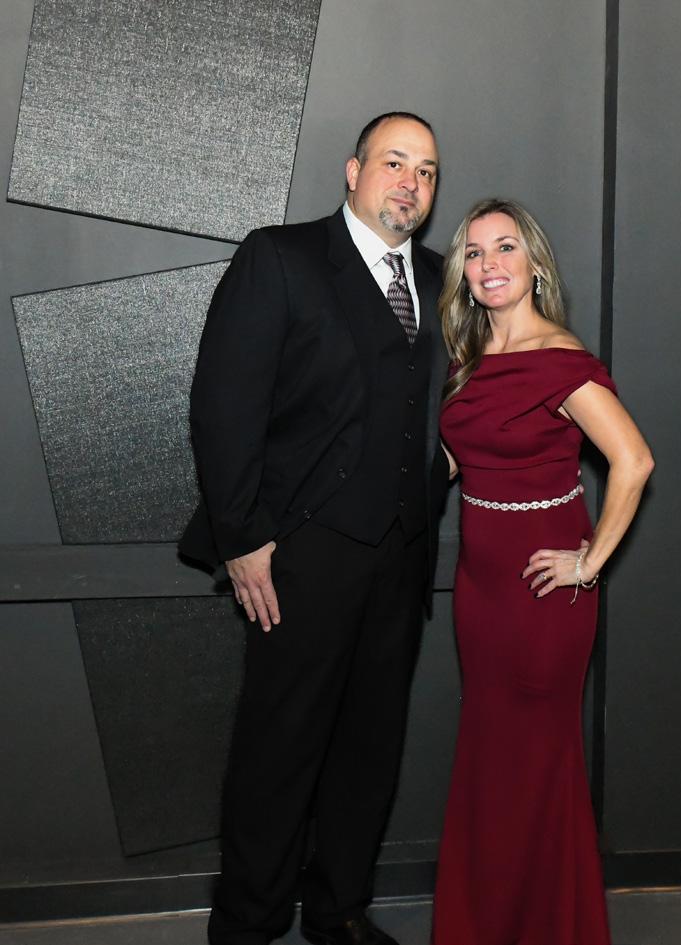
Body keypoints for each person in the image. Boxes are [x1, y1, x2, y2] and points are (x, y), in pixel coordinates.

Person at [179, 113, 450, 945]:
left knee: (369, 747)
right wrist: (241, 537)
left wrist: (448, 462)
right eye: (394, 162)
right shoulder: (281, 257)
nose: (410, 182)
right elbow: (223, 405)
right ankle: (248, 924)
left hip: (401, 556)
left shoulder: (443, 278)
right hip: (299, 554)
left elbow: (454, 397)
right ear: (353, 171)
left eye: (426, 171)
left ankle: (339, 910)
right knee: (279, 748)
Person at [432, 198, 654, 945]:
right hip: (480, 593)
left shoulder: (560, 359)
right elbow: (458, 460)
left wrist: (588, 562)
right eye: (473, 252)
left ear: (534, 265)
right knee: (490, 760)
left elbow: (633, 461)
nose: (488, 263)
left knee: (533, 763)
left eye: (505, 247)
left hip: (541, 597)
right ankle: (488, 923)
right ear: (463, 273)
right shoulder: (468, 361)